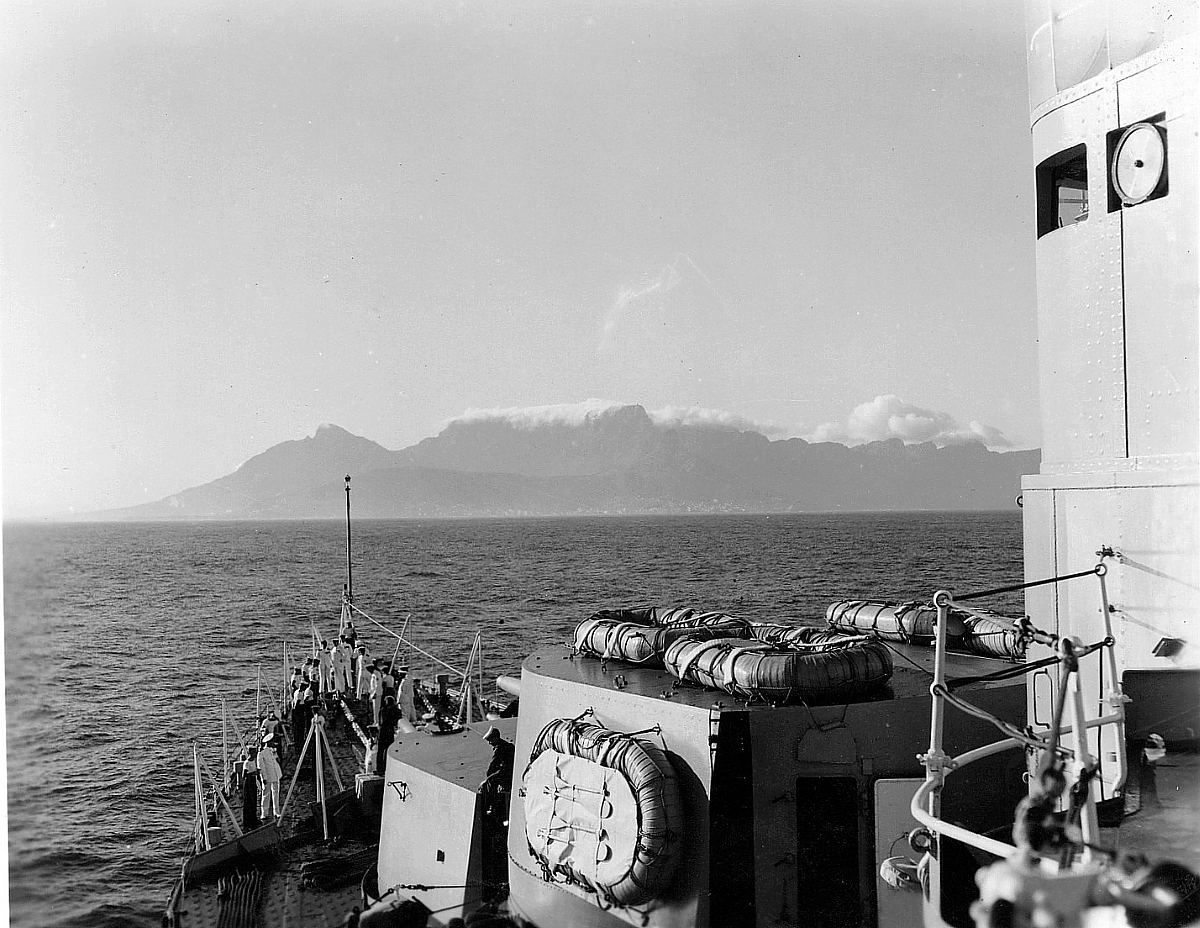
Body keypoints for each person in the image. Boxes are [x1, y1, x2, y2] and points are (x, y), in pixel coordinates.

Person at [258, 737, 283, 821]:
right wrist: (264, 778)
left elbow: (277, 761)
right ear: (268, 743)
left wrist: (276, 754)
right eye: (271, 742)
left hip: (275, 775)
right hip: (267, 776)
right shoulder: (261, 754)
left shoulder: (272, 751)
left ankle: (276, 812)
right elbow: (261, 767)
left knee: (276, 793)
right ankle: (264, 813)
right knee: (266, 794)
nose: (273, 743)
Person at [242, 746, 260, 830]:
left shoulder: (254, 761)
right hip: (248, 783)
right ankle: (248, 822)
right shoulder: (247, 763)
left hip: (253, 781)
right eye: (254, 752)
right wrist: (254, 772)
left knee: (254, 800)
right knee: (248, 802)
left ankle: (254, 819)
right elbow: (244, 775)